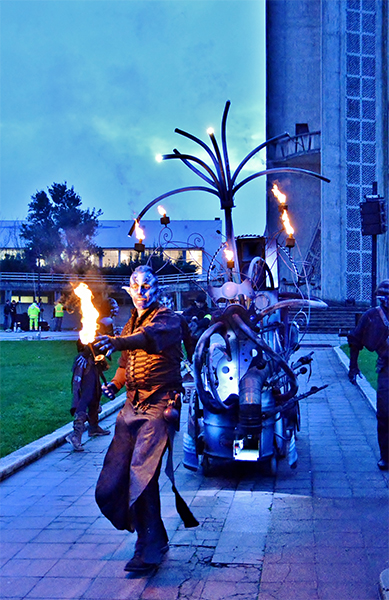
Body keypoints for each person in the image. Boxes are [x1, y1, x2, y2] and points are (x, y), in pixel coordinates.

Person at [94, 265, 198, 574]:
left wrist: (116, 341)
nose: (141, 292)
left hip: (159, 405)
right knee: (113, 480)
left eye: (147, 286)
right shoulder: (129, 325)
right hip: (131, 407)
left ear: (156, 288)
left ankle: (148, 546)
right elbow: (126, 365)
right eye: (136, 286)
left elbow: (149, 338)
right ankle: (155, 537)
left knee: (143, 476)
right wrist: (114, 385)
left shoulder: (167, 319)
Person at [348, 280, 389, 471]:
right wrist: (353, 366)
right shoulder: (371, 317)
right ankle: (386, 456)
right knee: (385, 414)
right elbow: (355, 340)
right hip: (386, 370)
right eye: (385, 296)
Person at [65, 340, 111, 452]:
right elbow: (77, 383)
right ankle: (75, 435)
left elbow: (104, 363)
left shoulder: (93, 352)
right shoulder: (82, 359)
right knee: (86, 397)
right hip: (87, 372)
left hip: (92, 366)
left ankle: (94, 427)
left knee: (96, 395)